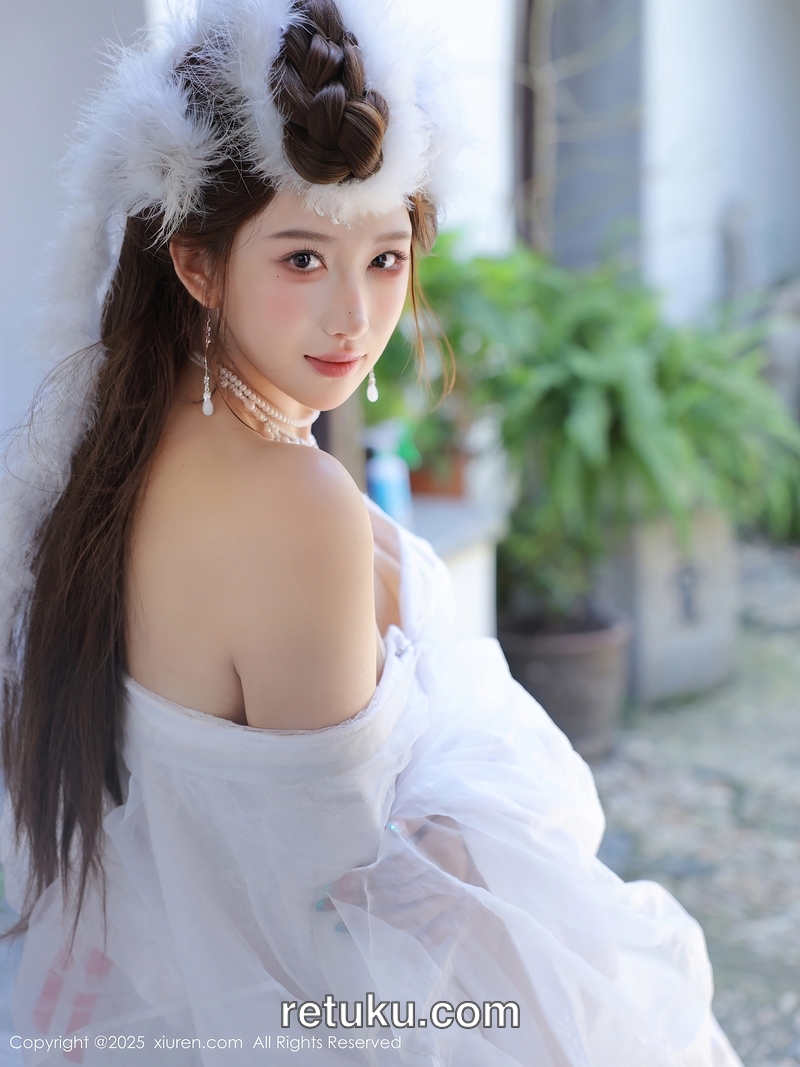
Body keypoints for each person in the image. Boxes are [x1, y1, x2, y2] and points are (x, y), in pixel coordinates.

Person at [0, 1, 743, 1064]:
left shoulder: (113, 453)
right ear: (197, 264)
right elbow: (335, 915)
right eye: (303, 259)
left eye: (385, 259)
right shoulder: (294, 502)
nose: (354, 316)